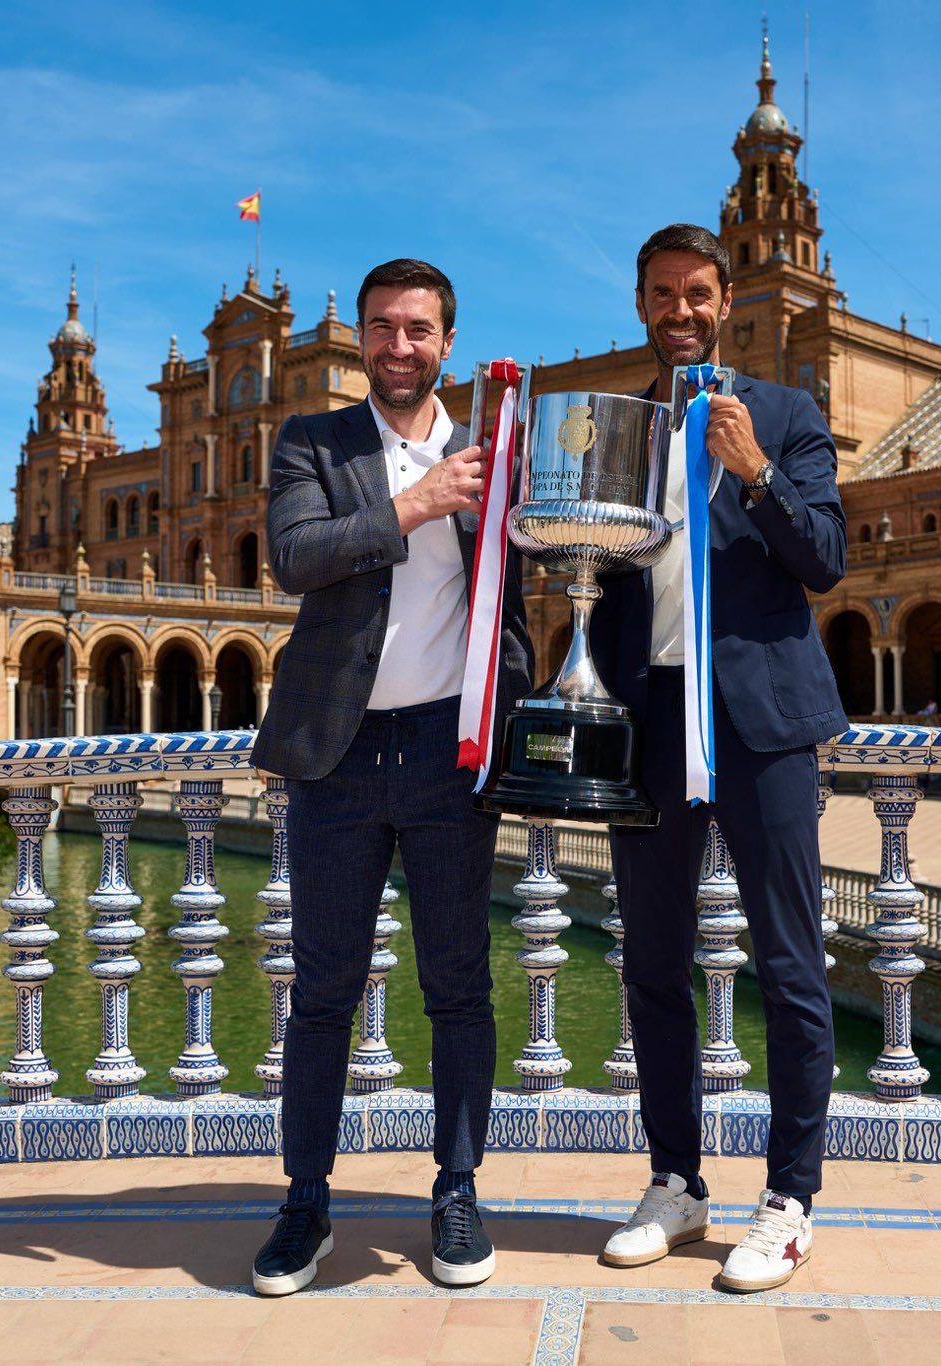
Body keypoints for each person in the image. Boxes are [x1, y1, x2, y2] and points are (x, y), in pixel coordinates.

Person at [248, 258, 532, 1297]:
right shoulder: (311, 441)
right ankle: (305, 1202)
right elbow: (294, 555)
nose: (397, 346)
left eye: (417, 329)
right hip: (338, 755)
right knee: (322, 991)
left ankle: (456, 1190)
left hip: (450, 755)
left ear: (447, 343)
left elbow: (533, 575)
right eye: (380, 327)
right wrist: (413, 505)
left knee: (457, 985)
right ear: (359, 339)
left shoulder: (495, 449)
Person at [589, 223, 847, 1293]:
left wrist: (754, 474)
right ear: (641, 305)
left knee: (789, 963)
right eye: (662, 294)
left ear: (726, 300)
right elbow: (596, 571)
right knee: (652, 963)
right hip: (650, 719)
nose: (681, 311)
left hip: (760, 726)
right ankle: (676, 1181)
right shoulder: (620, 429)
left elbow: (823, 560)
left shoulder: (785, 415)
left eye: (697, 293)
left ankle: (789, 1198)